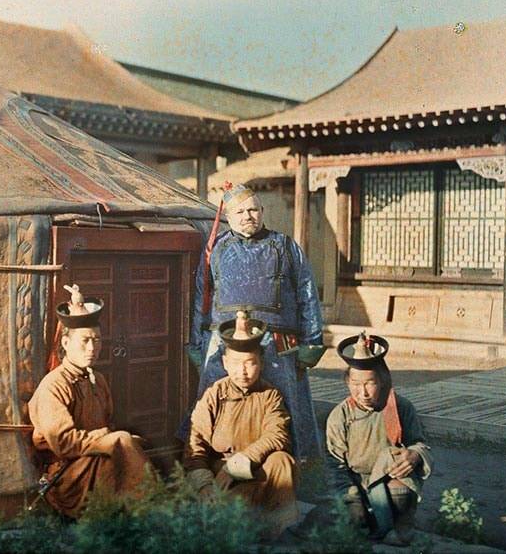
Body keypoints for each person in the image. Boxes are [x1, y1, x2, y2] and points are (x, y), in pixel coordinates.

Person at [184, 183, 324, 461]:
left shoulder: (286, 247)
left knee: (285, 403)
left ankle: (288, 468)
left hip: (277, 341)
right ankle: (210, 463)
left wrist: (312, 341)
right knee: (217, 401)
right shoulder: (216, 250)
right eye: (240, 212)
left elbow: (307, 292)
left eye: (253, 209)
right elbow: (203, 295)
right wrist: (198, 342)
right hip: (224, 341)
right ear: (228, 217)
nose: (248, 216)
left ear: (262, 211)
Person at [28, 284, 150, 518]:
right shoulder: (53, 386)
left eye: (97, 340)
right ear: (65, 344)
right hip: (67, 474)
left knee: (128, 447)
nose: (93, 348)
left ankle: (145, 517)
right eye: (85, 341)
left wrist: (112, 439)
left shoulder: (98, 380)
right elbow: (64, 443)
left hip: (94, 460)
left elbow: (108, 424)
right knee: (123, 446)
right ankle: (152, 517)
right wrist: (106, 438)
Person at [185, 311, 298, 537]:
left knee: (282, 460)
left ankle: (275, 528)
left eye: (250, 363)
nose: (243, 371)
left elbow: (277, 434)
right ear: (225, 363)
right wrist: (205, 485)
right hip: (222, 481)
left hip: (258, 475)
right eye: (236, 363)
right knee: (222, 522)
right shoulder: (214, 395)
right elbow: (195, 445)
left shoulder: (270, 396)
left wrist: (238, 463)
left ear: (261, 363)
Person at [325, 333, 433, 546]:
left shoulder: (401, 407)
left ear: (382, 381)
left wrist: (415, 456)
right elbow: (333, 464)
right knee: (345, 522)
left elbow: (420, 444)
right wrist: (352, 498)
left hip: (388, 480)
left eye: (369, 383)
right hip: (354, 484)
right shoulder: (340, 415)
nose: (362, 392)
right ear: (347, 382)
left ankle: (400, 526)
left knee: (398, 487)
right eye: (355, 384)